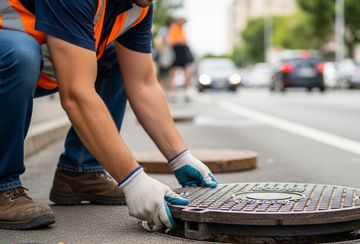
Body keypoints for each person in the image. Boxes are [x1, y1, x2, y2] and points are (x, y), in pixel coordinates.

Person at [0, 0, 217, 231]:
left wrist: (180, 157)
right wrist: (133, 180)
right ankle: (3, 186)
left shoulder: (139, 7)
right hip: (11, 55)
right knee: (19, 53)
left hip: (39, 63)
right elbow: (76, 93)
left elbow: (143, 83)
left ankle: (80, 171)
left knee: (114, 57)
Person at [166, 16, 194, 102]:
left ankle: (186, 93)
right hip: (176, 53)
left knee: (187, 74)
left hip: (183, 53)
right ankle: (171, 93)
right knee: (172, 74)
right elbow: (169, 41)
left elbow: (185, 41)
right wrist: (178, 41)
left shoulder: (181, 29)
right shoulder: (174, 28)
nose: (183, 24)